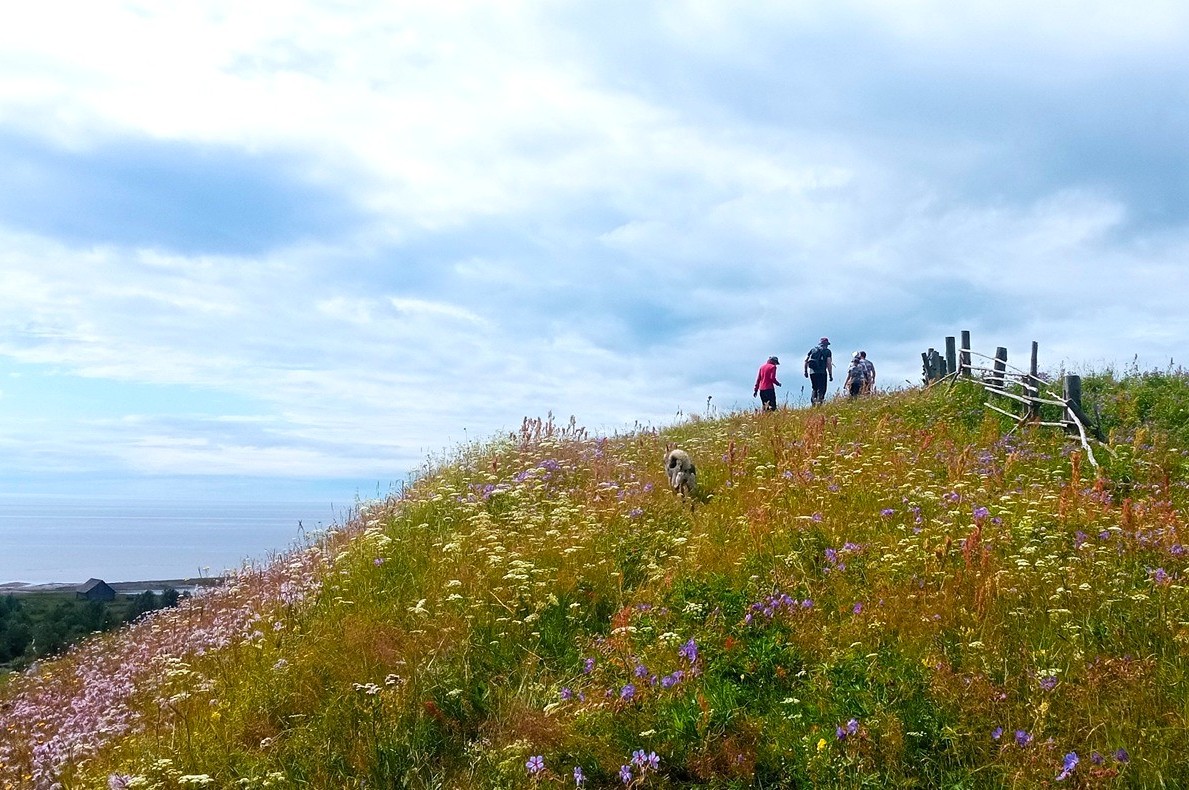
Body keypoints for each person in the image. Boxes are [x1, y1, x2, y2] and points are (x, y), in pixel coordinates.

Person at [803, 337, 833, 405]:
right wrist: (830, 374)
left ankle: (813, 403)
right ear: (826, 344)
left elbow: (806, 360)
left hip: (812, 372)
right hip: (822, 372)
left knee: (814, 388)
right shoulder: (827, 351)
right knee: (822, 388)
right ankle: (819, 403)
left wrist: (805, 371)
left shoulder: (813, 350)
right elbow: (828, 363)